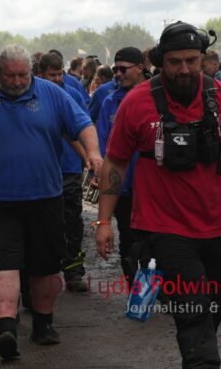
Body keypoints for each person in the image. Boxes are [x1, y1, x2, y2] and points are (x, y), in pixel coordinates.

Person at [95, 22, 221, 368]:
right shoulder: (137, 102)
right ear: (161, 62)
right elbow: (115, 163)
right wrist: (103, 221)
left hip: (216, 225)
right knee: (192, 305)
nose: (184, 69)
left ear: (202, 58)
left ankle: (199, 352)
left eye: (192, 60)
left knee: (214, 301)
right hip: (163, 227)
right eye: (175, 62)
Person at [0, 44, 102, 360]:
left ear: (31, 72)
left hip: (45, 196)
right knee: (4, 264)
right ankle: (6, 329)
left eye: (22, 75)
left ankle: (43, 324)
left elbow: (83, 125)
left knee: (45, 265)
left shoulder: (52, 94)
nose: (16, 82)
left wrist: (93, 153)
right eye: (9, 76)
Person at [37, 52, 91, 292]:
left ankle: (74, 270)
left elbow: (84, 126)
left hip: (69, 168)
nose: (57, 79)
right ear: (41, 74)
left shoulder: (72, 93)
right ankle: (44, 272)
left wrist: (89, 157)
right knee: (46, 224)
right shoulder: (30, 96)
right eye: (52, 75)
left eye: (60, 74)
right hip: (42, 171)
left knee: (72, 221)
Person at [95, 47, 148, 282]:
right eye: (115, 69)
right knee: (128, 240)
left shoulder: (157, 97)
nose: (117, 74)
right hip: (123, 188)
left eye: (123, 69)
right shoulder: (110, 101)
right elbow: (104, 146)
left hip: (152, 186)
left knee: (156, 240)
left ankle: (160, 289)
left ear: (140, 68)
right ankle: (135, 290)